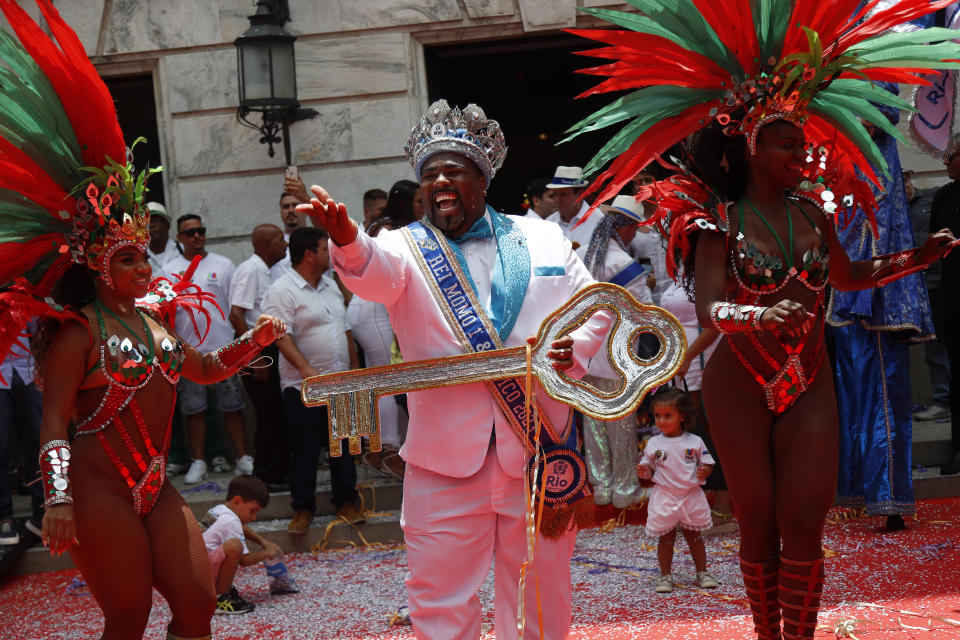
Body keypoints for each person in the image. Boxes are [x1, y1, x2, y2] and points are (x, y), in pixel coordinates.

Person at [565, 2, 959, 638]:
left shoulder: (813, 213)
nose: (799, 152)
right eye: (785, 142)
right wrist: (756, 312)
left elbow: (851, 276)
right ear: (751, 145)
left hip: (808, 378)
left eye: (802, 141)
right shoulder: (717, 222)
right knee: (758, 519)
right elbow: (711, 308)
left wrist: (918, 257)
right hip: (740, 383)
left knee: (805, 519)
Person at [0, 5, 286, 639]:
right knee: (127, 613)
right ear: (99, 267)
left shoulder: (156, 323)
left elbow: (207, 370)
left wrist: (256, 340)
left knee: (196, 603)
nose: (141, 264)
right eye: (126, 257)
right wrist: (59, 499)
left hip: (154, 487)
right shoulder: (77, 332)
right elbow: (52, 425)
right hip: (97, 490)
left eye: (140, 254)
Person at [299, 99, 609, 639]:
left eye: (454, 170)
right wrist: (348, 241)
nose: (439, 180)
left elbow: (597, 304)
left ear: (482, 180)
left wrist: (574, 348)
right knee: (439, 603)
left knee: (541, 600)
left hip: (539, 451)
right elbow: (370, 275)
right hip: (442, 463)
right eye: (429, 173)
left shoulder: (542, 237)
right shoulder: (401, 247)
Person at [827, 86, 935, 531]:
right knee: (851, 397)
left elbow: (884, 228)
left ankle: (890, 500)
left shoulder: (879, 164)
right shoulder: (842, 165)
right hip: (845, 295)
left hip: (878, 300)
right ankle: (859, 494)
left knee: (885, 400)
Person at [262, 226, 364, 534]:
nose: (329, 255)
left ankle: (346, 501)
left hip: (341, 382)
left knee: (344, 446)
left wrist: (356, 367)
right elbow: (280, 336)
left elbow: (344, 329)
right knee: (305, 449)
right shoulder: (282, 290)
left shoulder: (331, 285)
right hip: (304, 385)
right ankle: (303, 509)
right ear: (309, 254)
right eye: (324, 249)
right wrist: (307, 369)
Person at [165, 215, 250, 483]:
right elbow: (164, 314)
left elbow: (235, 306)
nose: (196, 237)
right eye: (189, 233)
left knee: (233, 407)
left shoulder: (224, 265)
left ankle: (243, 458)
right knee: (193, 411)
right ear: (179, 238)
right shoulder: (169, 270)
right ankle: (198, 461)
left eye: (200, 231)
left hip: (224, 350)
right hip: (189, 354)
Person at [581, 195, 652, 508]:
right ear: (625, 229)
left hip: (585, 353)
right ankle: (624, 489)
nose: (635, 235)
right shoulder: (624, 265)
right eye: (634, 229)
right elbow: (647, 311)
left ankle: (602, 486)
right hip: (618, 356)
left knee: (593, 421)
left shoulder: (586, 257)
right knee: (621, 423)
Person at [637, 387, 718, 593]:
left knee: (695, 536)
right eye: (657, 416)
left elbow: (708, 463)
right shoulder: (653, 442)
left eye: (667, 416)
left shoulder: (695, 441)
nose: (661, 421)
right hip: (665, 496)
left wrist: (704, 471)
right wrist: (644, 470)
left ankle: (702, 572)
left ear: (682, 416)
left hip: (691, 495)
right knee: (666, 538)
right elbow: (648, 468)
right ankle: (665, 576)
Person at [229, 224, 290, 490]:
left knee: (276, 412)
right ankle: (265, 476)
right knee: (268, 414)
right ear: (265, 245)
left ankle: (277, 471)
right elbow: (235, 315)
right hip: (256, 351)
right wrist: (253, 356)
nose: (285, 245)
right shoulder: (251, 270)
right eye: (279, 240)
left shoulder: (267, 270)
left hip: (268, 348)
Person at [201, 474, 299, 616]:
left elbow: (240, 526)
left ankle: (216, 591)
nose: (254, 517)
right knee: (235, 546)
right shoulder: (231, 522)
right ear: (237, 501)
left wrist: (263, 542)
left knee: (230, 546)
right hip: (198, 578)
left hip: (190, 575)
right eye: (253, 510)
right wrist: (268, 552)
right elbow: (244, 560)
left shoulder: (219, 510)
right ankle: (220, 598)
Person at [905, 169, 952, 422]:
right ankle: (942, 400)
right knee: (935, 348)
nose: (905, 187)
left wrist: (919, 244)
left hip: (944, 282)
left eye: (906, 181)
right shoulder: (893, 213)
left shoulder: (935, 197)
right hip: (919, 289)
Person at [932, 140, 960, 476]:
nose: (947, 163)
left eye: (952, 157)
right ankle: (958, 447)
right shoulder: (943, 196)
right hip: (953, 301)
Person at [0, 339, 43, 545]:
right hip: (1, 372)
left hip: (29, 369)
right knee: (1, 446)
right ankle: (4, 517)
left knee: (39, 440)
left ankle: (42, 511)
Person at [546, 165, 601, 256]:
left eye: (563, 194)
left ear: (580, 195)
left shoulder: (598, 221)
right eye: (555, 194)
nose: (557, 200)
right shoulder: (549, 223)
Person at [146, 202, 179, 272]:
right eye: (147, 222)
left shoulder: (182, 250)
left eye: (156, 221)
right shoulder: (139, 255)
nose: (151, 225)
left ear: (167, 224)